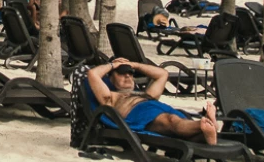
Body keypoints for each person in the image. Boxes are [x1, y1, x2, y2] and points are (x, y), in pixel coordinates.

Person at [85, 58, 218, 143]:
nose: (127, 75)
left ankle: (207, 132)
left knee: (177, 125)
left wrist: (134, 64)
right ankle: (203, 123)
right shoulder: (110, 97)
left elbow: (162, 74)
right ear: (111, 77)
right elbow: (92, 74)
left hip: (156, 106)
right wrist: (113, 65)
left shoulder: (146, 94)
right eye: (121, 73)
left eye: (131, 73)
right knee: (171, 120)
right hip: (139, 114)